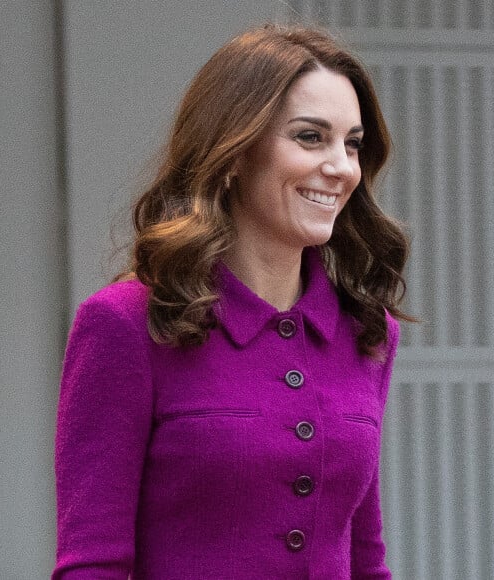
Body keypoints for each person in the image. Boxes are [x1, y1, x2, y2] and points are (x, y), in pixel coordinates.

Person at [52, 23, 412, 580]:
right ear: (236, 152)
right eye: (311, 137)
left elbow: (366, 558)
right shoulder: (125, 325)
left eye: (353, 143)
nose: (341, 166)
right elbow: (92, 565)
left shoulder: (369, 333)